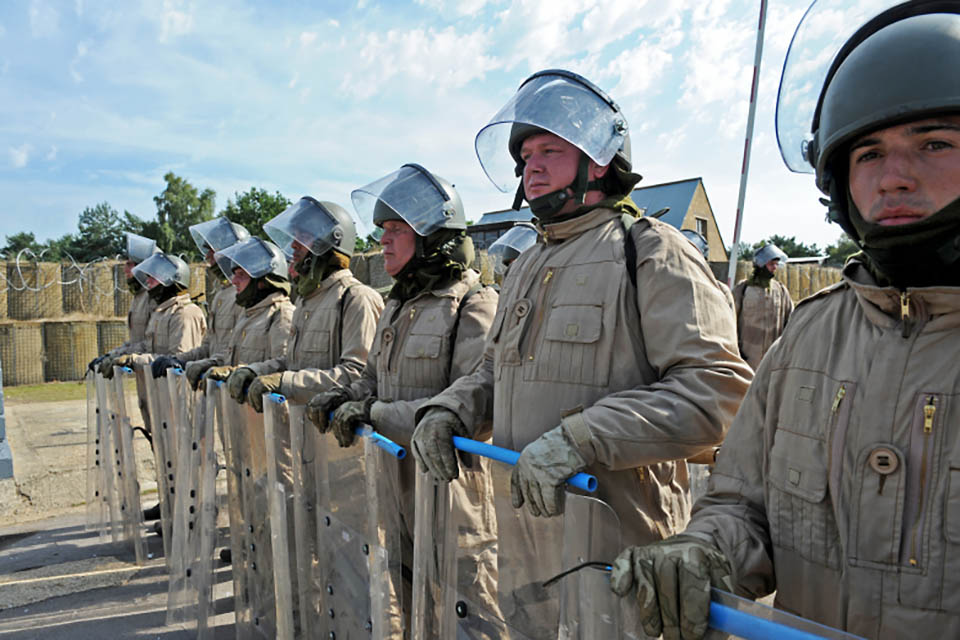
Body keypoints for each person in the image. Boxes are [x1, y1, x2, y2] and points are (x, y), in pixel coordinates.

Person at [609, 4, 960, 638]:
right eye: (869, 153)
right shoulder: (811, 337)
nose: (894, 178)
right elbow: (742, 503)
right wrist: (706, 551)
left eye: (935, 144)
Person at [412, 69, 750, 566]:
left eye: (551, 151)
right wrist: (448, 409)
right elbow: (494, 370)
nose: (532, 168)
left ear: (600, 160)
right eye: (526, 156)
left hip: (617, 543)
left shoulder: (650, 249)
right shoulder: (526, 263)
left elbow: (718, 392)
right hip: (523, 535)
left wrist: (583, 438)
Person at [306, 163, 499, 634]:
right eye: (382, 230)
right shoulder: (396, 304)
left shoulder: (475, 304)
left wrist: (371, 411)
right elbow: (372, 377)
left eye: (396, 229)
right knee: (414, 607)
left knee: (469, 614)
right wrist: (343, 395)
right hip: (395, 486)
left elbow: (470, 408)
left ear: (433, 235)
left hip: (454, 497)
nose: (384, 241)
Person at [224, 197, 383, 412]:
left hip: (339, 441)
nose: (293, 245)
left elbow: (358, 375)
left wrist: (285, 383)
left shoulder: (357, 298)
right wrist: (256, 371)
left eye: (304, 236)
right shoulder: (306, 302)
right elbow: (292, 363)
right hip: (305, 433)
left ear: (331, 241)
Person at [150, 217, 249, 385]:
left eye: (213, 249)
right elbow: (208, 347)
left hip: (232, 383)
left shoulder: (244, 296)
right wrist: (178, 360)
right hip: (215, 381)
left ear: (231, 250)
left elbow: (237, 352)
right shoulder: (221, 294)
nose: (207, 255)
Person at [100, 251, 206, 374]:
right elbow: (146, 347)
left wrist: (133, 360)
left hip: (177, 389)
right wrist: (116, 355)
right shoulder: (161, 313)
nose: (148, 282)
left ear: (171, 280)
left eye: (153, 277)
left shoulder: (184, 313)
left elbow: (178, 360)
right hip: (159, 385)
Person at [733, 242, 793, 369]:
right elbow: (730, 319)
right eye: (771, 264)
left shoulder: (781, 290)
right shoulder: (743, 288)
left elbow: (791, 321)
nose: (774, 268)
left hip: (773, 359)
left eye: (776, 264)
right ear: (760, 264)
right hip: (747, 358)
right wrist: (735, 349)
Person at [487, 221, 539, 286]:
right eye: (509, 264)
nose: (512, 267)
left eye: (515, 263)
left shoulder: (535, 281)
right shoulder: (509, 282)